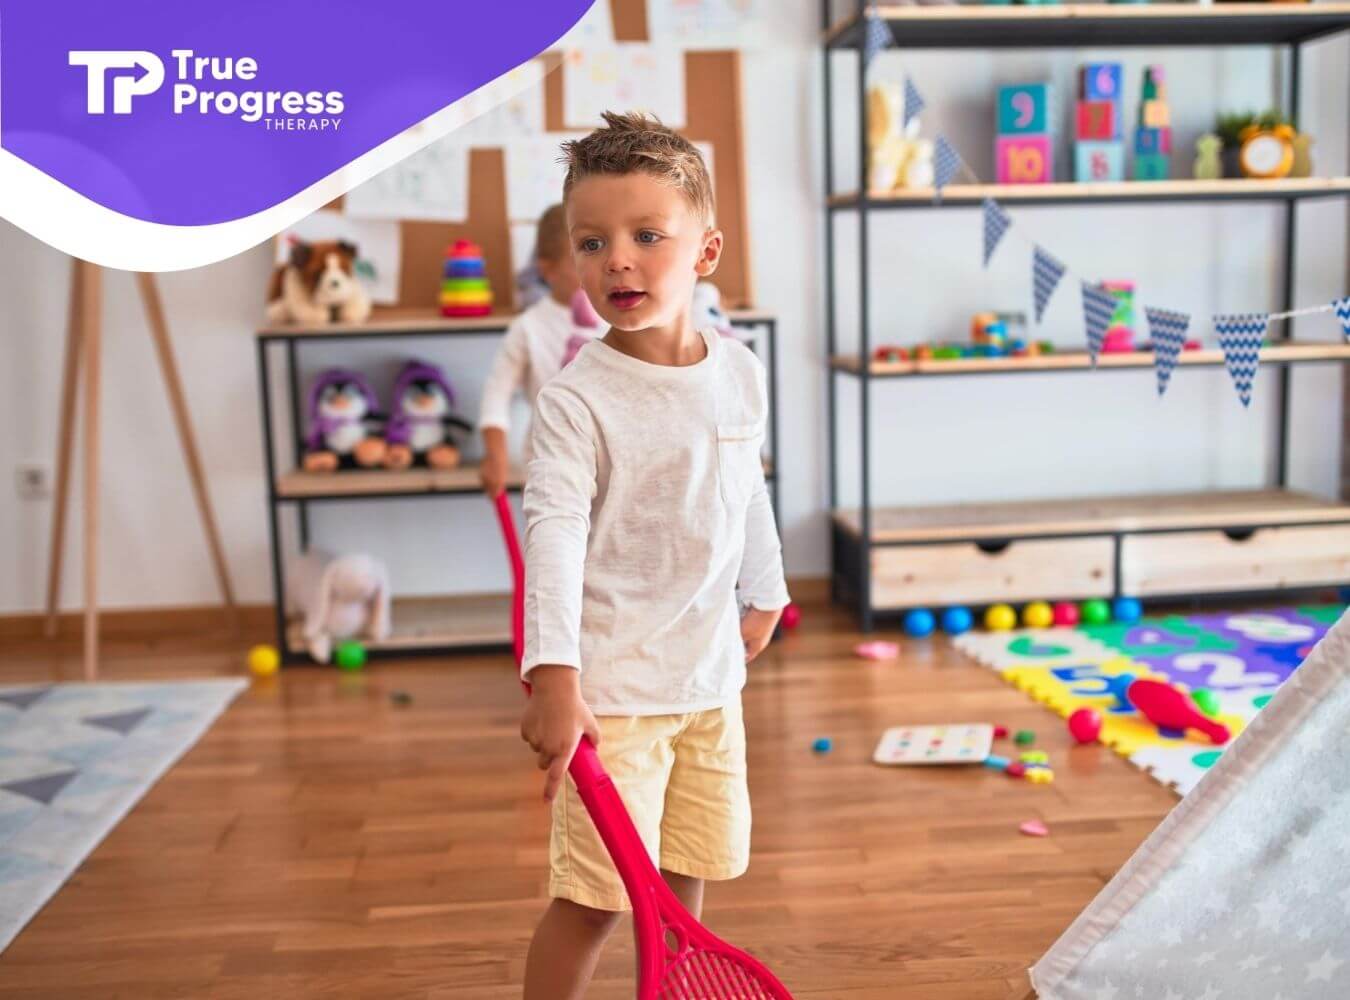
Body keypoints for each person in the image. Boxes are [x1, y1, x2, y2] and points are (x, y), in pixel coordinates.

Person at [518, 111, 790, 1000]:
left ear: (705, 251)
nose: (618, 261)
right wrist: (555, 675)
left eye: (646, 235)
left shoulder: (741, 370)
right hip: (616, 698)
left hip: (710, 682)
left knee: (686, 876)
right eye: (592, 243)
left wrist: (767, 590)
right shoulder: (576, 403)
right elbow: (552, 536)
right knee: (594, 900)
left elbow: (745, 482)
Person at [478, 203, 582, 497]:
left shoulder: (621, 318)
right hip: (548, 466)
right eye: (581, 256)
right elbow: (496, 394)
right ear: (548, 269)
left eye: (600, 250)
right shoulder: (529, 327)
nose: (597, 267)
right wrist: (495, 454)